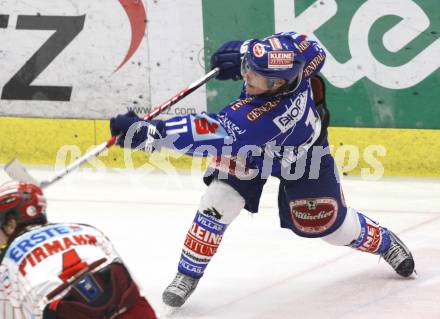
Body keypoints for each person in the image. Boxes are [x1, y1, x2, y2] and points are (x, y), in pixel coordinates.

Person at [109, 31, 415, 308]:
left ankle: (385, 242)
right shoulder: (299, 60)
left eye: (255, 75)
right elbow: (313, 47)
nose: (246, 76)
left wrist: (150, 133)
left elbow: (205, 131)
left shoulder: (257, 119)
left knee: (325, 224)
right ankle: (187, 273)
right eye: (247, 68)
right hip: (253, 154)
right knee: (219, 201)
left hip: (302, 155)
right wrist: (247, 51)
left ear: (278, 84)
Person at [0, 180, 157, 319]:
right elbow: (130, 282)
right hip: (131, 310)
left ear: (12, 223)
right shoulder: (87, 230)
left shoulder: (7, 262)